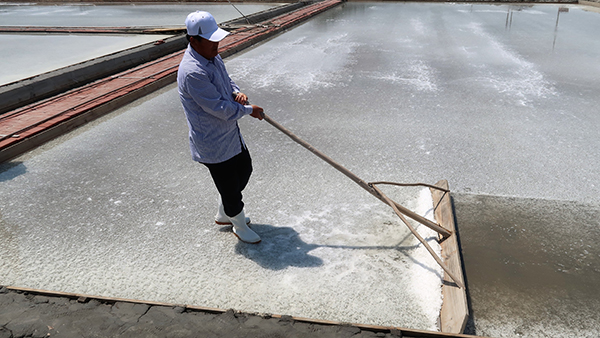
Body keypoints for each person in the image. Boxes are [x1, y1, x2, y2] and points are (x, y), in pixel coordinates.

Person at [177, 11, 264, 244]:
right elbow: (219, 109)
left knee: (244, 170)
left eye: (217, 38)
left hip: (230, 134)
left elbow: (226, 80)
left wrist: (237, 92)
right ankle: (238, 223)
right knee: (230, 186)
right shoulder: (193, 72)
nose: (217, 44)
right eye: (210, 40)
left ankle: (225, 210)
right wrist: (250, 110)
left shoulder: (212, 56)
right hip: (212, 140)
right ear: (193, 40)